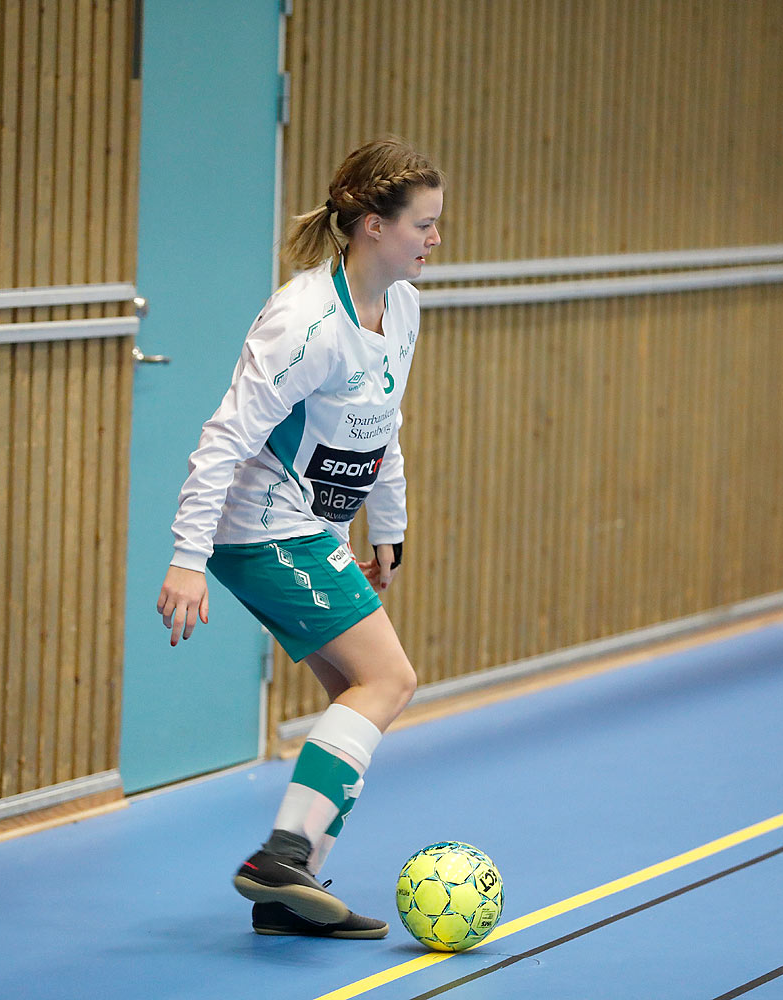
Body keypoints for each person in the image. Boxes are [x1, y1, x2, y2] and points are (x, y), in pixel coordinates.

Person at [157, 137, 444, 938]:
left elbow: (381, 425)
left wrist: (387, 523)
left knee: (355, 696)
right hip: (260, 526)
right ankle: (283, 857)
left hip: (311, 526)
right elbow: (224, 437)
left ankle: (293, 892)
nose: (434, 240)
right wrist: (187, 559)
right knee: (389, 680)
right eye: (423, 224)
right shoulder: (306, 319)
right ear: (373, 227)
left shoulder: (404, 309)